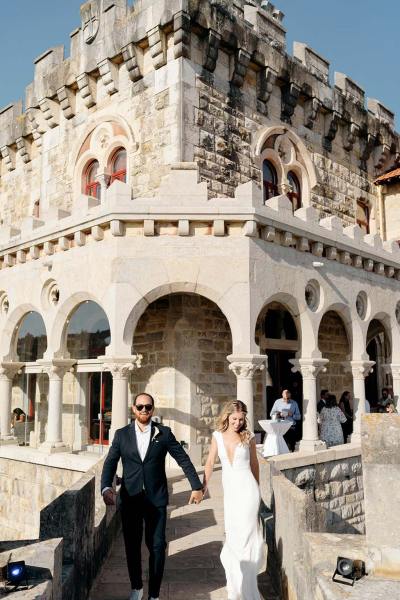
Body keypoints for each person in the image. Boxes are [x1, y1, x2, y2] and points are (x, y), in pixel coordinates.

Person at [101, 393, 203, 600]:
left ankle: (154, 595)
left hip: (156, 500)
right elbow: (110, 462)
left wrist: (196, 486)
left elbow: (183, 459)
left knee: (157, 546)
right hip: (130, 499)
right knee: (132, 546)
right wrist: (105, 487)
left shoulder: (163, 433)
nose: (144, 410)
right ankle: (136, 588)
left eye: (148, 407)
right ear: (133, 409)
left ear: (153, 409)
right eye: (140, 407)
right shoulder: (122, 435)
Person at [203, 400, 265, 600]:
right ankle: (234, 584)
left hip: (248, 491)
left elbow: (254, 464)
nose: (238, 423)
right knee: (233, 536)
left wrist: (258, 489)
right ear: (227, 417)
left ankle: (247, 588)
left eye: (241, 419)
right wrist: (202, 487)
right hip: (230, 493)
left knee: (247, 538)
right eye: (234, 419)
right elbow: (210, 462)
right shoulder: (217, 436)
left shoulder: (249, 436)